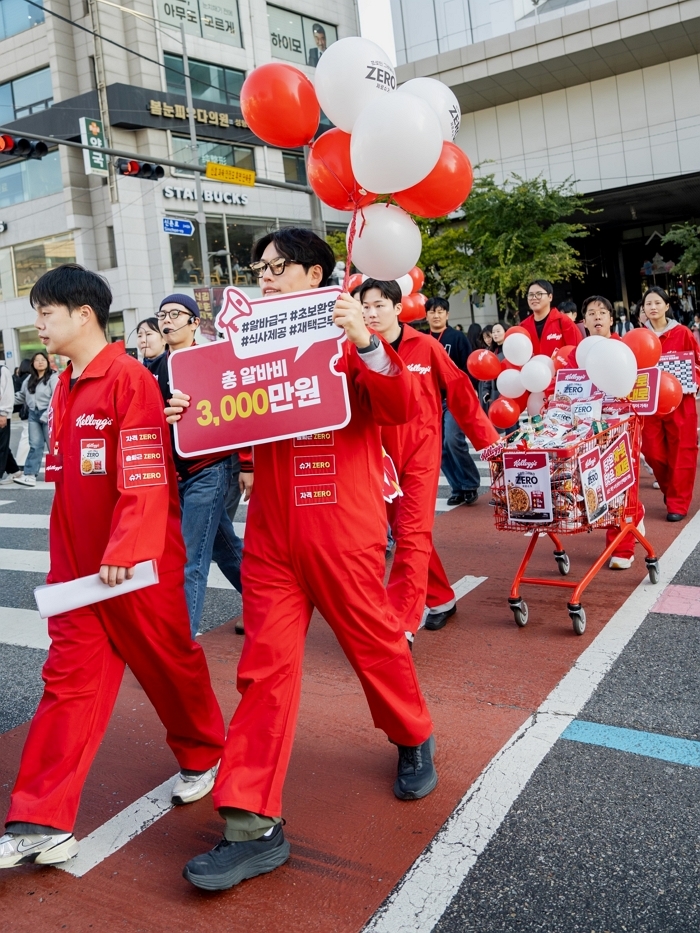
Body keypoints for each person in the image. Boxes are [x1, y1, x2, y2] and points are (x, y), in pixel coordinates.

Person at [167, 228, 436, 891]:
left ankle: (412, 734)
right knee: (263, 672)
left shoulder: (352, 334)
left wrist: (366, 341)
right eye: (258, 266)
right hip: (272, 535)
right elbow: (222, 424)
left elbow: (401, 406)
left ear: (316, 273)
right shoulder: (246, 345)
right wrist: (187, 413)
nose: (263, 275)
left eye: (277, 265)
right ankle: (252, 826)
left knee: (375, 645)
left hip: (343, 524)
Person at [0, 265, 225, 871]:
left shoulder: (129, 379)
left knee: (169, 664)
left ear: (83, 315)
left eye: (45, 312)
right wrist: (66, 564)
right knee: (67, 683)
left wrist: (127, 547)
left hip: (135, 566)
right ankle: (40, 822)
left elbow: (146, 473)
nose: (37, 324)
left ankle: (206, 753)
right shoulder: (65, 384)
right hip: (80, 572)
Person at [359, 279, 499, 638]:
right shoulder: (357, 350)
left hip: (421, 453)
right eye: (365, 306)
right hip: (379, 460)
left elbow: (461, 393)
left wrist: (489, 444)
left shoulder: (425, 346)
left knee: (411, 533)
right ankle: (440, 598)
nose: (371, 313)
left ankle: (401, 624)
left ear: (397, 308)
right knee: (407, 533)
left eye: (379, 305)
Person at [148, 294, 249, 637]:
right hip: (174, 474)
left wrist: (247, 464)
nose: (167, 320)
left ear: (194, 323)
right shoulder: (155, 369)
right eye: (162, 314)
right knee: (223, 545)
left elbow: (238, 411)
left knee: (189, 558)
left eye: (175, 314)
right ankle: (267, 601)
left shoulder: (210, 360)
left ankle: (180, 643)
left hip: (210, 468)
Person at [581, 295, 646, 568]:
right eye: (591, 313)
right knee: (598, 485)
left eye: (602, 312)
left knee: (621, 483)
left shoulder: (626, 348)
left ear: (611, 319)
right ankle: (636, 513)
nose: (597, 316)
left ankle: (621, 548)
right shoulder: (579, 354)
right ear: (583, 322)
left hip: (623, 428)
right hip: (589, 432)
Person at [640, 286, 700, 522]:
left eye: (657, 302)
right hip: (650, 404)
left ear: (666, 306)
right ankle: (670, 489)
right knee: (652, 451)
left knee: (682, 452)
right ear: (643, 309)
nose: (653, 307)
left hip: (680, 402)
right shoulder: (639, 335)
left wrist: (692, 381)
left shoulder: (682, 333)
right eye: (648, 303)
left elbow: (697, 362)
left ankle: (678, 503)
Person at [426, 297, 483, 506]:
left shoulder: (457, 337)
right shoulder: (422, 339)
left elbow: (470, 367)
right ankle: (457, 488)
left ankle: (470, 483)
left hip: (454, 399)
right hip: (430, 402)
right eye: (432, 312)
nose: (436, 315)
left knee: (452, 440)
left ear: (447, 314)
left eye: (440, 311)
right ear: (426, 315)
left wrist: (472, 392)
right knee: (438, 448)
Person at [12, 351, 58, 487]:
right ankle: (30, 475)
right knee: (35, 446)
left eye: (43, 359)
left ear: (47, 362)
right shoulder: (29, 379)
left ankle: (61, 474)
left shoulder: (53, 377)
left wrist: (46, 415)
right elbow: (21, 396)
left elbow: (56, 397)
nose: (40, 362)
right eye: (37, 360)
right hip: (33, 414)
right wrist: (6, 401)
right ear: (33, 363)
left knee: (53, 446)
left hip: (49, 414)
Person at [520, 280, 583, 354]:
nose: (534, 298)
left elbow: (577, 352)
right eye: (530, 295)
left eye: (539, 294)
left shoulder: (564, 322)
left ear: (550, 297)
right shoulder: (523, 327)